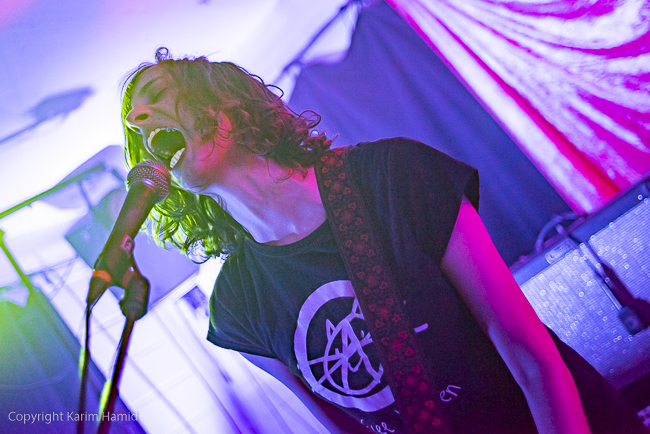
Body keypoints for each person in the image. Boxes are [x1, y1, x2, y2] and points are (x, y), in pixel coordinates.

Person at [121, 48, 645, 434]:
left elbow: (530, 357)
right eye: (134, 125)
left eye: (156, 98)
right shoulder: (236, 307)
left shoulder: (393, 177)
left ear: (222, 108)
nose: (139, 121)